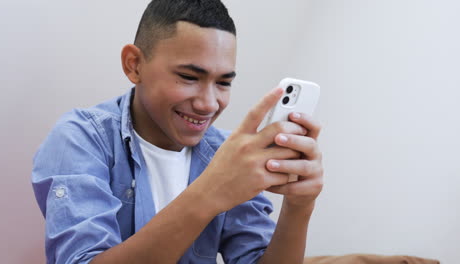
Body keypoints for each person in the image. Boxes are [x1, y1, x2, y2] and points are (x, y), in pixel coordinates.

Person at [32, 0, 324, 263]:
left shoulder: (226, 153)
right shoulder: (81, 138)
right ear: (134, 65)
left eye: (223, 83)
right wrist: (210, 192)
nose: (208, 104)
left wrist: (299, 207)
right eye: (188, 77)